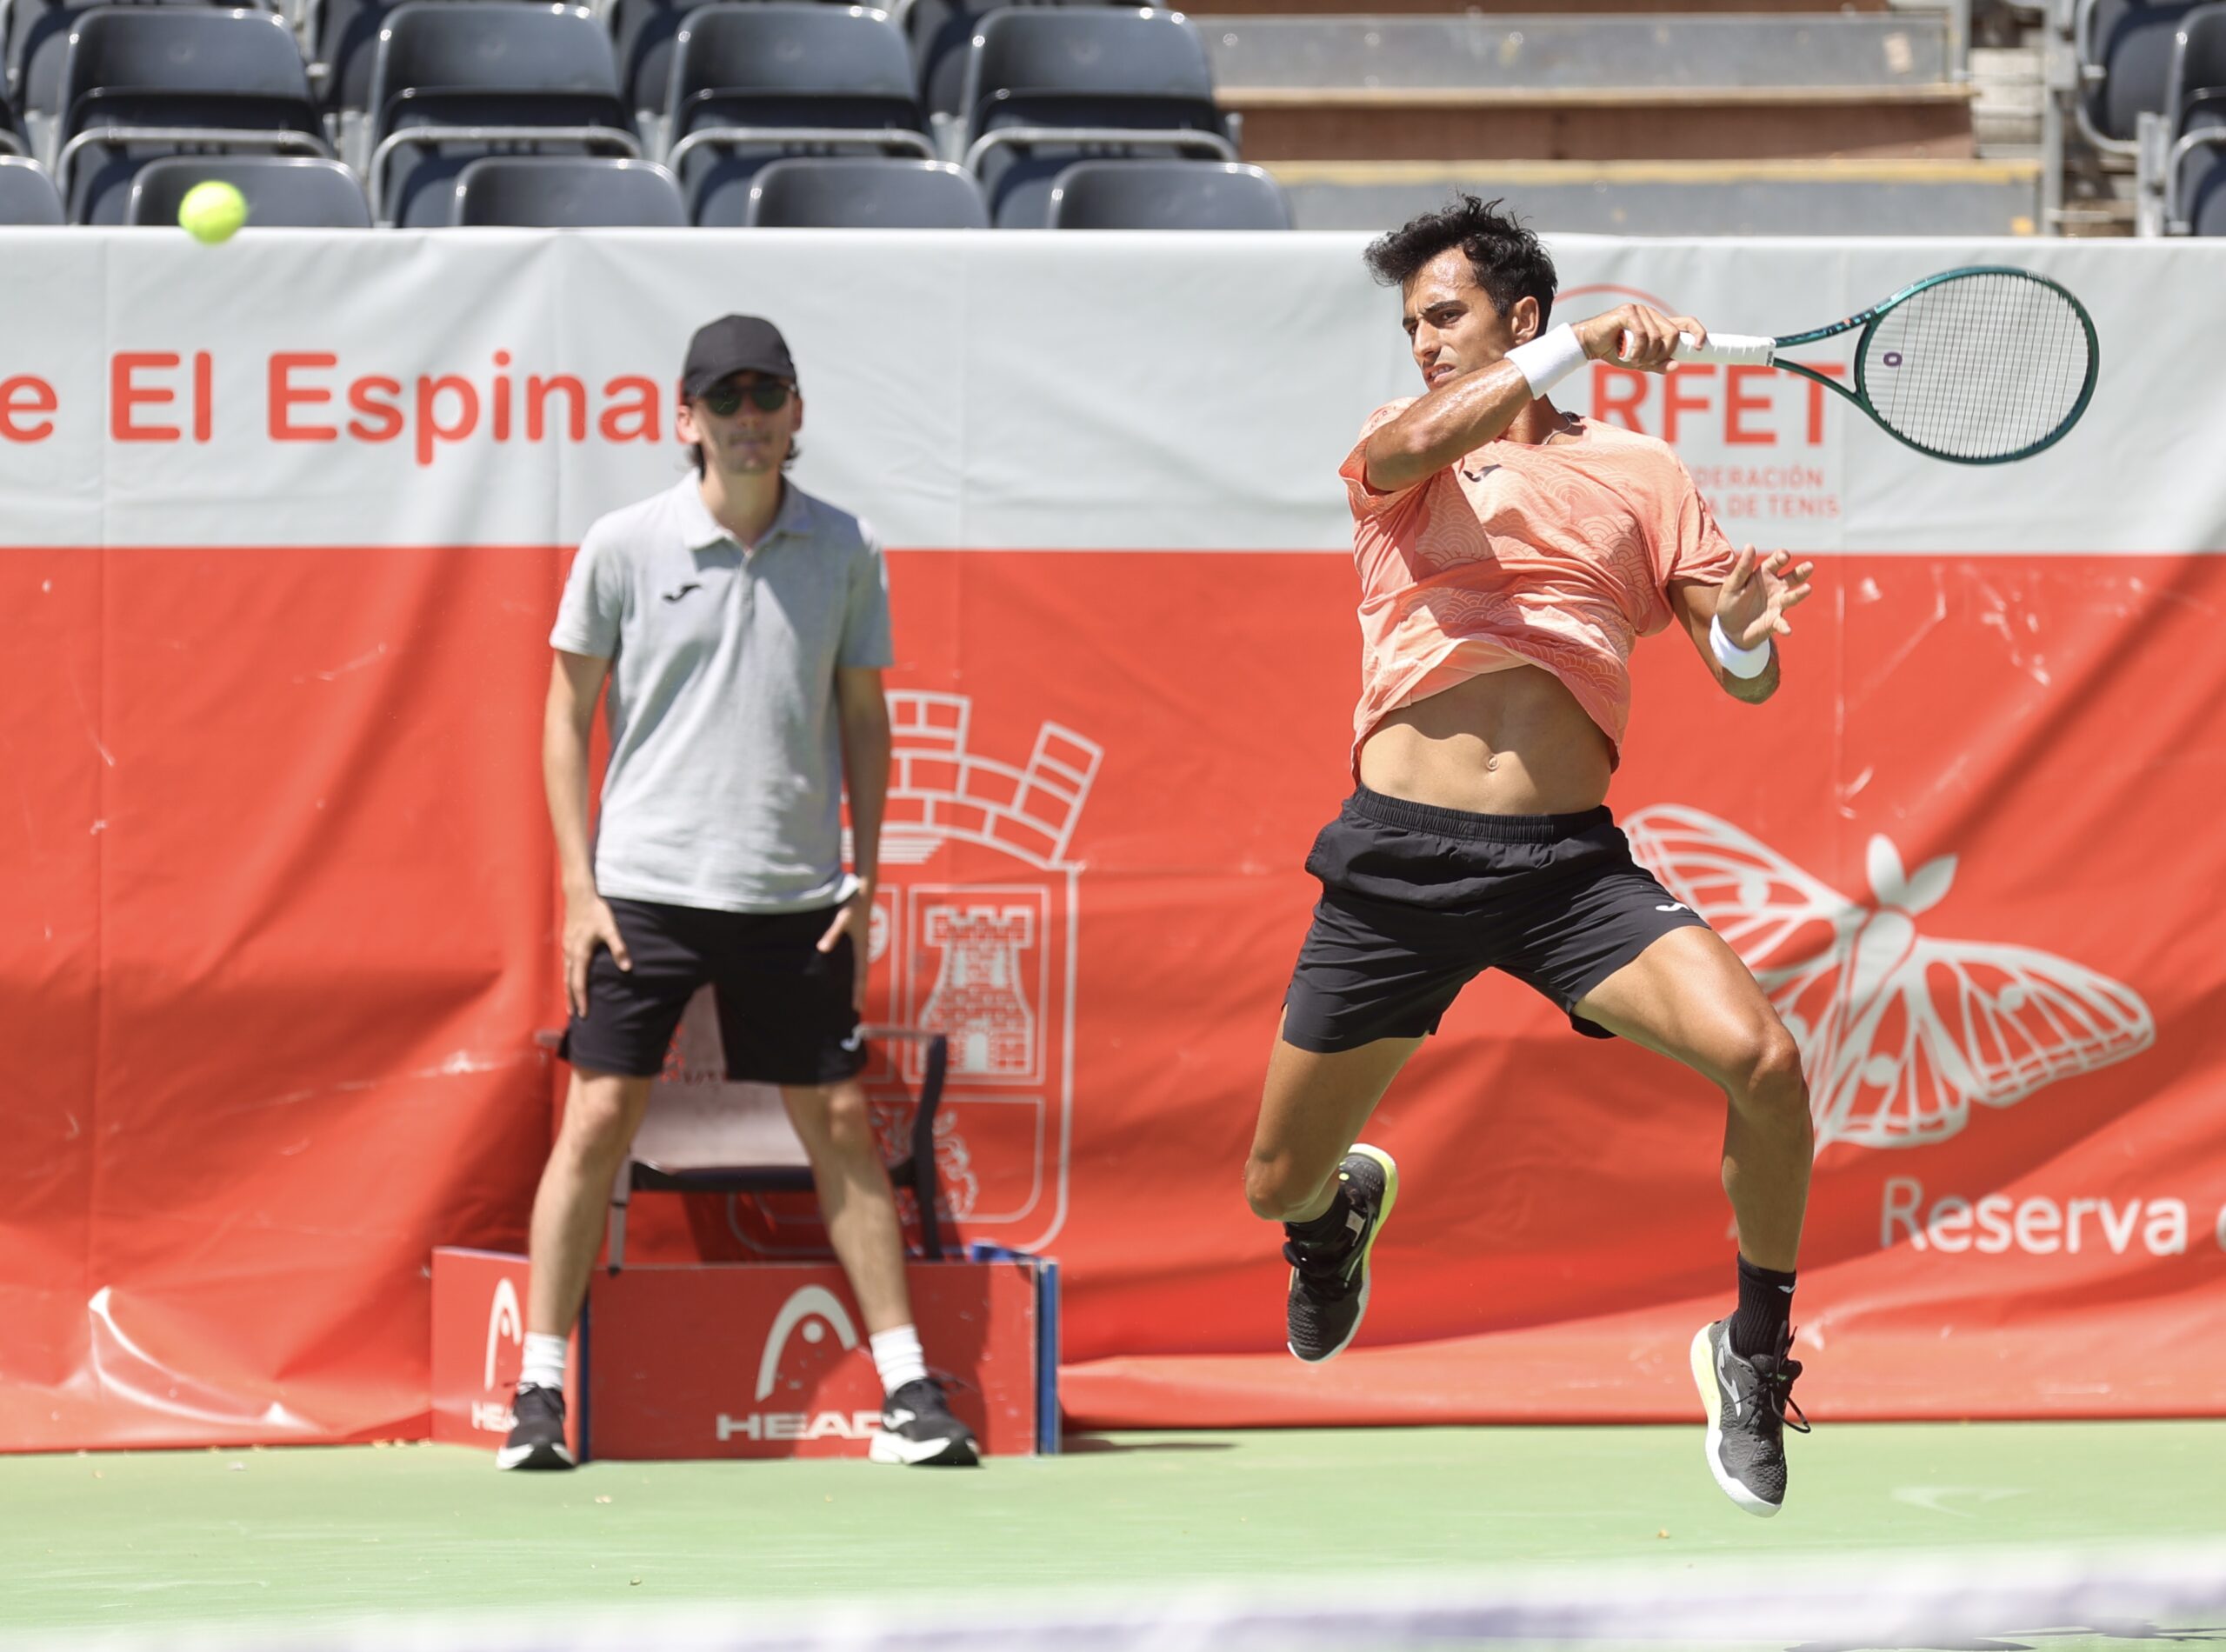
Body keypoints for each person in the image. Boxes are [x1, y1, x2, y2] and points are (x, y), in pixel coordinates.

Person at [1242, 199, 1817, 1516]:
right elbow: (1413, 441)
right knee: (1274, 1182)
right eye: (1412, 324)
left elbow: (1746, 676)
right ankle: (1331, 1224)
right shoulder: (1407, 449)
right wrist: (1576, 350)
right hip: (1400, 865)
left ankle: (1754, 1348)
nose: (1423, 342)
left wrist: (1741, 629)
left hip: (1566, 871)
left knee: (1768, 1065)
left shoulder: (1644, 472)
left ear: (1521, 313)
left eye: (1446, 315)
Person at [500, 315, 977, 1471]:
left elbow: (864, 715)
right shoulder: (623, 544)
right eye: (726, 399)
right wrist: (578, 888)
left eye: (767, 396)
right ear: (688, 419)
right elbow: (565, 715)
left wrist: (866, 874)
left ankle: (909, 1394)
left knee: (841, 1126)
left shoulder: (844, 547)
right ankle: (538, 1393)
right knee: (597, 1120)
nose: (748, 418)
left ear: (796, 412)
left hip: (794, 896)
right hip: (644, 891)